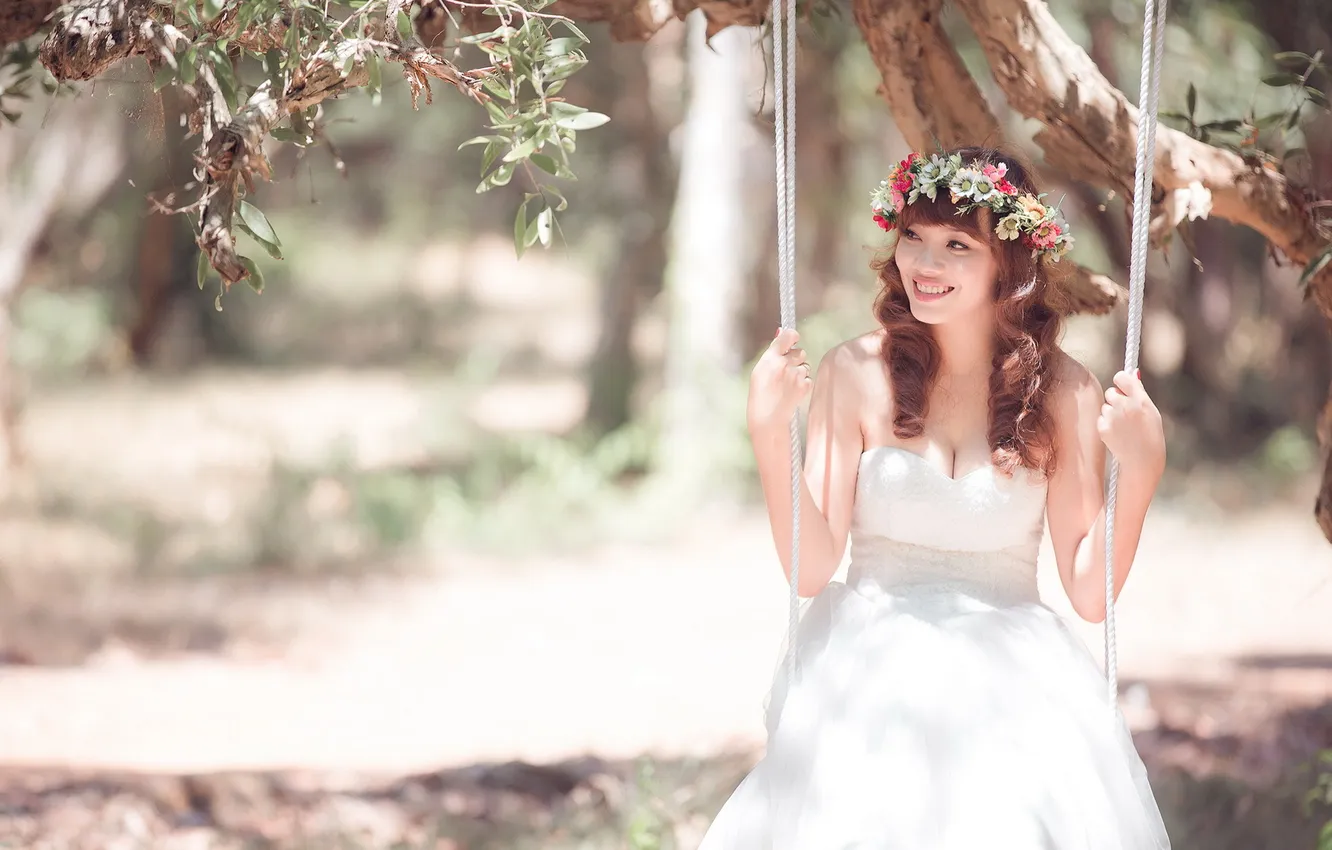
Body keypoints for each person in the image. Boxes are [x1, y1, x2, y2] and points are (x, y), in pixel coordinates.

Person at [698, 146, 1172, 849]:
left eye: (957, 245)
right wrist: (770, 433)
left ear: (1008, 265)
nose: (924, 263)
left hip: (1013, 666)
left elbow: (1090, 591)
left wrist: (1142, 472)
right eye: (914, 239)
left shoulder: (1063, 390)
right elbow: (808, 568)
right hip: (871, 652)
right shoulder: (853, 372)